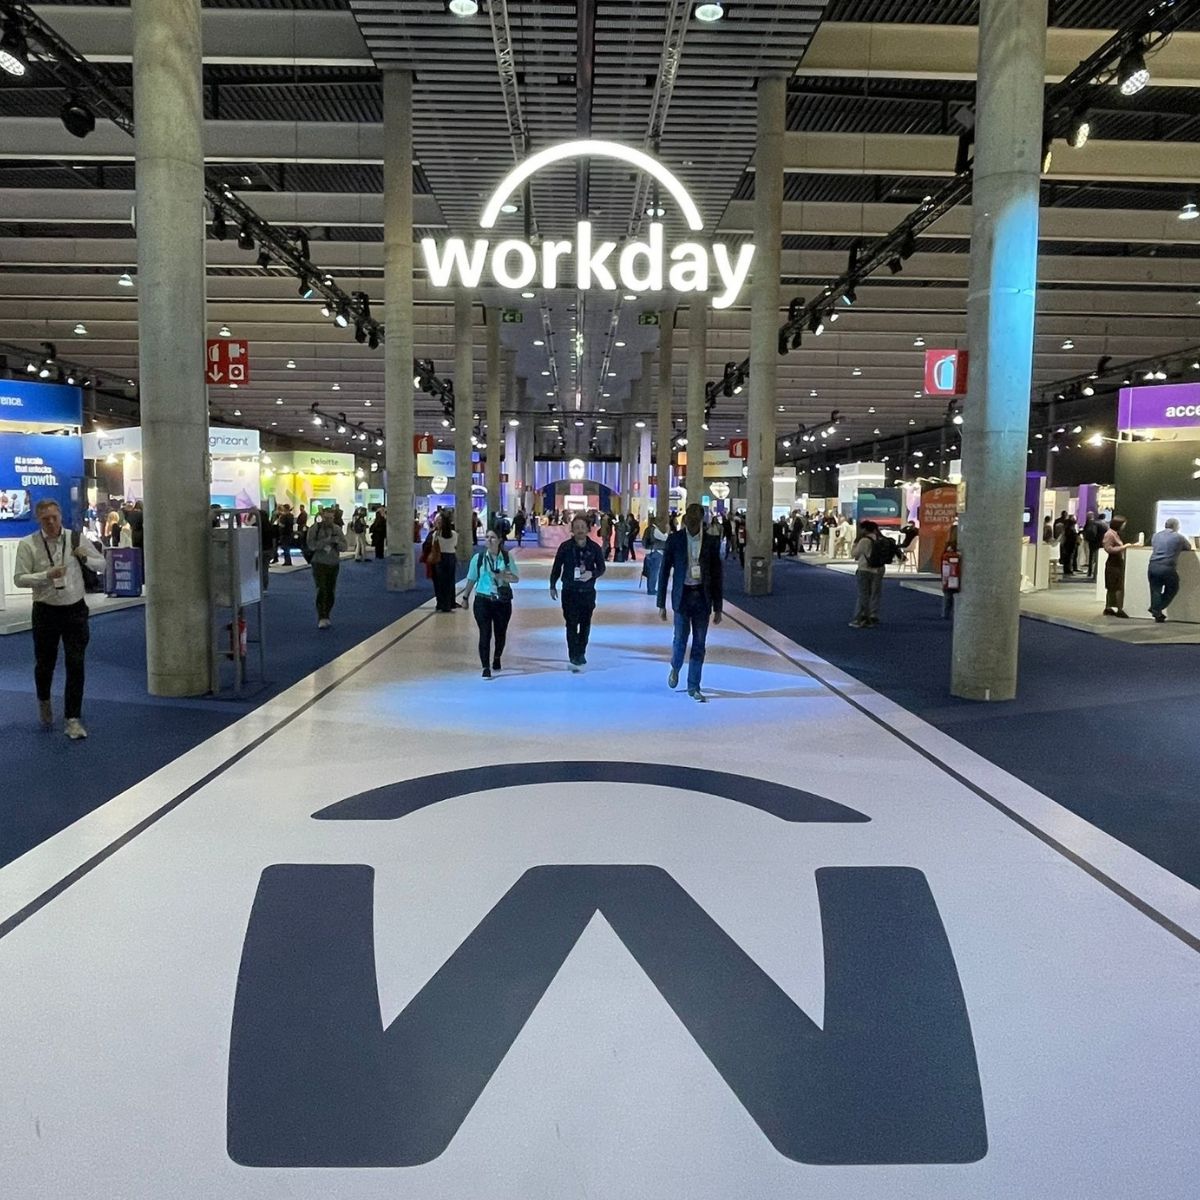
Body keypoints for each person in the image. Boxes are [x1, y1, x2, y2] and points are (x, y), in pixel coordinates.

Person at [13, 499, 106, 739]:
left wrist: (85, 557)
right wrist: (46, 575)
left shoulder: (75, 538)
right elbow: (19, 579)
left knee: (76, 663)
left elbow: (102, 564)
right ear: (38, 519)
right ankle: (44, 700)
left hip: (75, 610)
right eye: (46, 519)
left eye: (54, 517)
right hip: (46, 611)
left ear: (60, 516)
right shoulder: (28, 544)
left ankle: (72, 718)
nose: (51, 522)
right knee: (45, 663)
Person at [657, 502, 723, 702]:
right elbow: (664, 571)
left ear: (701, 520)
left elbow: (717, 575)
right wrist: (661, 603)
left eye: (696, 518)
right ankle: (675, 667)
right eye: (690, 518)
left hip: (702, 598)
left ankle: (694, 685)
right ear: (685, 519)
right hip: (683, 597)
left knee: (699, 643)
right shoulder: (675, 540)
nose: (693, 522)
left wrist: (718, 607)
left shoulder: (711, 542)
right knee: (680, 640)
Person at [549, 514, 606, 671]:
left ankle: (581, 651)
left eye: (582, 527)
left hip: (587, 592)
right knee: (571, 623)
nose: (580, 530)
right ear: (572, 530)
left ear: (588, 529)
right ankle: (573, 653)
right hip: (570, 592)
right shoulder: (565, 547)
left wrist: (592, 574)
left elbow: (601, 568)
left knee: (585, 624)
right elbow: (557, 566)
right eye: (577, 527)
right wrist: (552, 585)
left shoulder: (594, 548)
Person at [460, 529, 519, 678]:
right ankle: (485, 666)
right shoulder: (478, 558)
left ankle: (497, 657)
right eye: (487, 537)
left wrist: (503, 576)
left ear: (499, 540)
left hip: (502, 601)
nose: (489, 540)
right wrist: (465, 597)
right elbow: (472, 579)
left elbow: (516, 578)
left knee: (500, 633)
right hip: (483, 600)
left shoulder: (506, 558)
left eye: (492, 537)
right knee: (485, 634)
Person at [306, 505, 347, 629]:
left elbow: (344, 547)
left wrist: (336, 542)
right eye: (326, 518)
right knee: (321, 589)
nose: (328, 520)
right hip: (319, 563)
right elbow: (311, 545)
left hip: (333, 563)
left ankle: (327, 614)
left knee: (330, 591)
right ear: (322, 517)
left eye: (331, 518)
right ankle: (322, 616)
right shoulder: (314, 529)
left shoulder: (337, 529)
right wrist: (326, 541)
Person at [1147, 516, 1193, 622]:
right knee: (1173, 588)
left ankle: (1157, 611)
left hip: (1153, 565)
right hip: (1167, 567)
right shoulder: (1179, 537)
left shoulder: (1156, 536)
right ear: (1176, 526)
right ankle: (1156, 608)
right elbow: (1188, 547)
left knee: (1155, 590)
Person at [849, 519, 887, 628]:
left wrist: (855, 544)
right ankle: (873, 615)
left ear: (865, 529)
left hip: (865, 569)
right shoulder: (880, 539)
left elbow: (854, 554)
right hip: (879, 569)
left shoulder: (864, 541)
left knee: (863, 594)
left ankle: (861, 618)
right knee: (875, 593)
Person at [1101, 514, 1134, 618]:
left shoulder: (1114, 534)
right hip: (1113, 563)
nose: (1124, 526)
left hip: (1116, 562)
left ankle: (1109, 607)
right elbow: (1109, 549)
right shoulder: (1110, 534)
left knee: (1113, 586)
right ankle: (1119, 609)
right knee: (1116, 586)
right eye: (1123, 524)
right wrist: (1124, 547)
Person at [430, 510, 459, 613]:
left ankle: (441, 603)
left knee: (440, 582)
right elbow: (455, 545)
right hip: (451, 557)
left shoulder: (436, 534)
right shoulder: (454, 534)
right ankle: (450, 603)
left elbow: (433, 546)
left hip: (440, 558)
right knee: (450, 581)